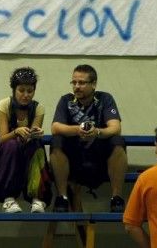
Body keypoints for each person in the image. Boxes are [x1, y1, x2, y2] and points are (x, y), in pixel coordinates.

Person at [50, 64, 127, 213]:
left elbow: (115, 127)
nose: (77, 86)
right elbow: (55, 127)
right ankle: (62, 197)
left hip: (98, 156)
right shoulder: (66, 100)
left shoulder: (105, 98)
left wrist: (97, 132)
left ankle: (116, 197)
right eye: (74, 82)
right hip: (74, 157)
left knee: (118, 141)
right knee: (56, 141)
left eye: (82, 83)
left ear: (93, 84)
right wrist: (77, 130)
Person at [0, 67, 51, 213]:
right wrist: (16, 132)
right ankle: (9, 198)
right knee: (11, 145)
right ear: (14, 90)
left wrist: (36, 132)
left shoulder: (38, 108)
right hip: (5, 154)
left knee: (37, 144)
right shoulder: (4, 105)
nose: (26, 95)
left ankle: (37, 198)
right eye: (21, 90)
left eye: (30, 91)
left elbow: (33, 135)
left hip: (26, 154)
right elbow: (2, 138)